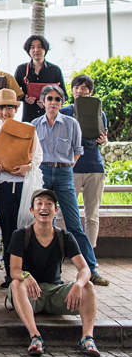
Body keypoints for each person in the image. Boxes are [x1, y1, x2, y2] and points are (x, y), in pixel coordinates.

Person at [7, 188, 100, 357]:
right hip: (30, 294)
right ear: (32, 210)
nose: (44, 207)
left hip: (55, 291)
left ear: (56, 210)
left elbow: (85, 269)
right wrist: (26, 276)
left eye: (49, 204)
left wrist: (78, 284)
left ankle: (87, 338)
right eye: (39, 204)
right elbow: (14, 270)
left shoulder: (65, 236)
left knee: (88, 286)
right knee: (16, 283)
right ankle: (35, 337)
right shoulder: (21, 235)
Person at [31, 85, 109, 286]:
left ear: (62, 102)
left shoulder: (72, 123)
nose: (53, 102)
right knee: (45, 222)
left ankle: (90, 269)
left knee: (74, 224)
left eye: (58, 99)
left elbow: (77, 150)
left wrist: (65, 167)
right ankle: (50, 271)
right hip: (43, 173)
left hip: (65, 172)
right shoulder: (34, 125)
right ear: (43, 101)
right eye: (50, 99)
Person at [0, 88, 43, 288]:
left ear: (15, 109)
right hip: (3, 186)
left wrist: (27, 167)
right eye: (1, 108)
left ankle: (30, 274)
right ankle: (11, 275)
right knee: (8, 230)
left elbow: (37, 157)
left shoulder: (28, 130)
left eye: (9, 107)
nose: (5, 112)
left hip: (25, 187)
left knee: (27, 229)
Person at [61, 74, 108, 249]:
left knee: (92, 214)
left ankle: (89, 255)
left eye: (84, 88)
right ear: (72, 90)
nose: (79, 91)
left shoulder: (99, 112)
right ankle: (62, 251)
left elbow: (102, 136)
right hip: (71, 167)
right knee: (64, 214)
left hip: (95, 166)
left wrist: (104, 140)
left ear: (91, 92)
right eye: (76, 88)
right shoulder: (64, 112)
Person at [14, 35, 65, 123]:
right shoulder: (21, 69)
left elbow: (64, 95)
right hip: (29, 118)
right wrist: (24, 98)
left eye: (40, 47)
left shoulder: (55, 70)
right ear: (28, 51)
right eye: (32, 47)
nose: (36, 50)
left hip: (51, 119)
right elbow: (13, 92)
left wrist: (48, 103)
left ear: (45, 49)